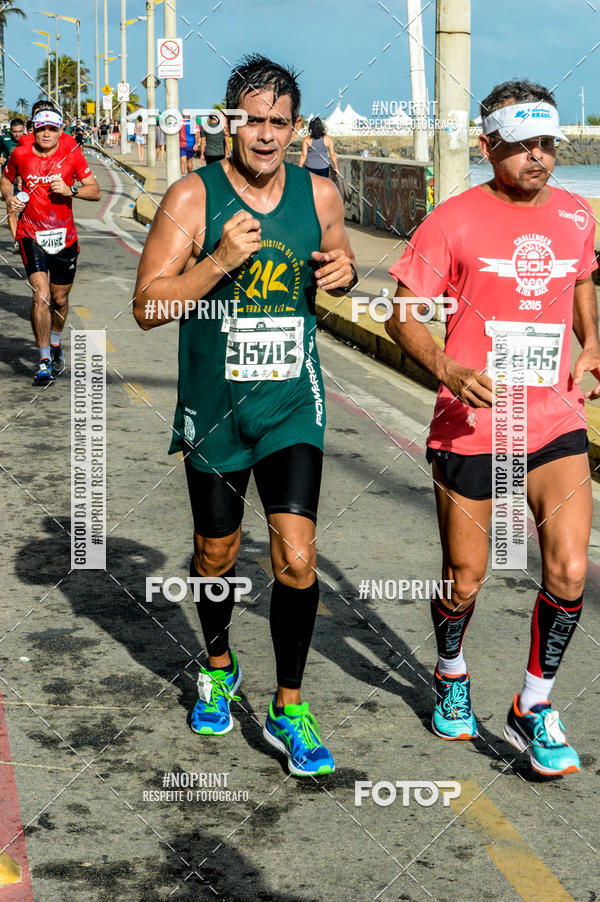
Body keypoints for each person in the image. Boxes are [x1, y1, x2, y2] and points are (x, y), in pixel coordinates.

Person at [133, 53, 357, 777]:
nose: (265, 136)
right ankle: (220, 662)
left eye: (279, 124)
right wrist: (218, 262)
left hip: (293, 399)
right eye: (253, 121)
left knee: (295, 555)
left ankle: (290, 706)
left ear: (297, 128)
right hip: (215, 406)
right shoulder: (191, 200)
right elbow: (148, 307)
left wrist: (344, 273)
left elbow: (341, 260)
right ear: (229, 122)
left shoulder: (319, 194)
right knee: (216, 556)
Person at [386, 80, 599, 777]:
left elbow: (583, 280)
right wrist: (448, 369)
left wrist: (591, 343)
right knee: (465, 580)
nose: (538, 157)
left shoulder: (577, 213)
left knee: (568, 568)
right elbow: (400, 314)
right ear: (489, 147)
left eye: (547, 145)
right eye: (522, 146)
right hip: (473, 423)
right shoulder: (451, 221)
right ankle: (452, 670)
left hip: (554, 419)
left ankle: (532, 705)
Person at [1, 107, 101, 385]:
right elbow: (6, 178)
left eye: (52, 129)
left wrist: (72, 190)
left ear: (60, 130)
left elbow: (95, 190)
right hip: (31, 233)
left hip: (64, 236)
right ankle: (44, 359)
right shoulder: (20, 154)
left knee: (59, 298)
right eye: (41, 128)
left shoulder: (71, 154)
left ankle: (55, 343)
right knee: (41, 296)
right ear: (34, 129)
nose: (46, 133)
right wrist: (11, 199)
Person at [0, 117, 25, 250]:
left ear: (24, 129)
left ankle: (25, 236)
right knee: (12, 210)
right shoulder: (4, 139)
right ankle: (18, 242)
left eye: (20, 131)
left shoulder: (29, 140)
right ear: (11, 131)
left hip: (26, 181)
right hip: (9, 181)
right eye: (15, 132)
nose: (17, 134)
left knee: (25, 211)